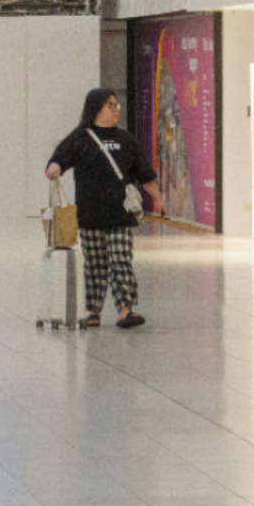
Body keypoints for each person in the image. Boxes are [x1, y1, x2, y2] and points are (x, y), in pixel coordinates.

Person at [45, 88, 164, 329]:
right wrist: (55, 167)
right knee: (95, 265)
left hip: (120, 214)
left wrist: (158, 198)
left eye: (116, 105)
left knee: (122, 261)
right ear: (97, 108)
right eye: (111, 105)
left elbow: (144, 173)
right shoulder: (80, 137)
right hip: (90, 214)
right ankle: (93, 311)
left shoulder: (125, 140)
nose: (116, 109)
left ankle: (125, 310)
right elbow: (59, 158)